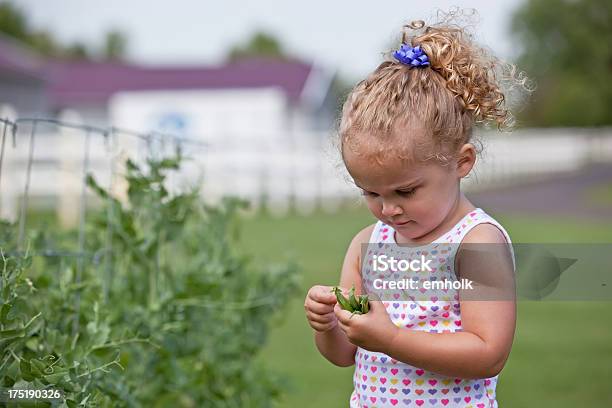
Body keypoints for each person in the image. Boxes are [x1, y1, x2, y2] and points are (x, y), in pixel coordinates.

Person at [304, 14, 528, 408]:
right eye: (370, 192)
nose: (388, 209)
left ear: (462, 163)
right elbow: (345, 355)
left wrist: (390, 338)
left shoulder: (475, 243)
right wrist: (328, 326)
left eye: (406, 191)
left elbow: (488, 353)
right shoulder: (365, 246)